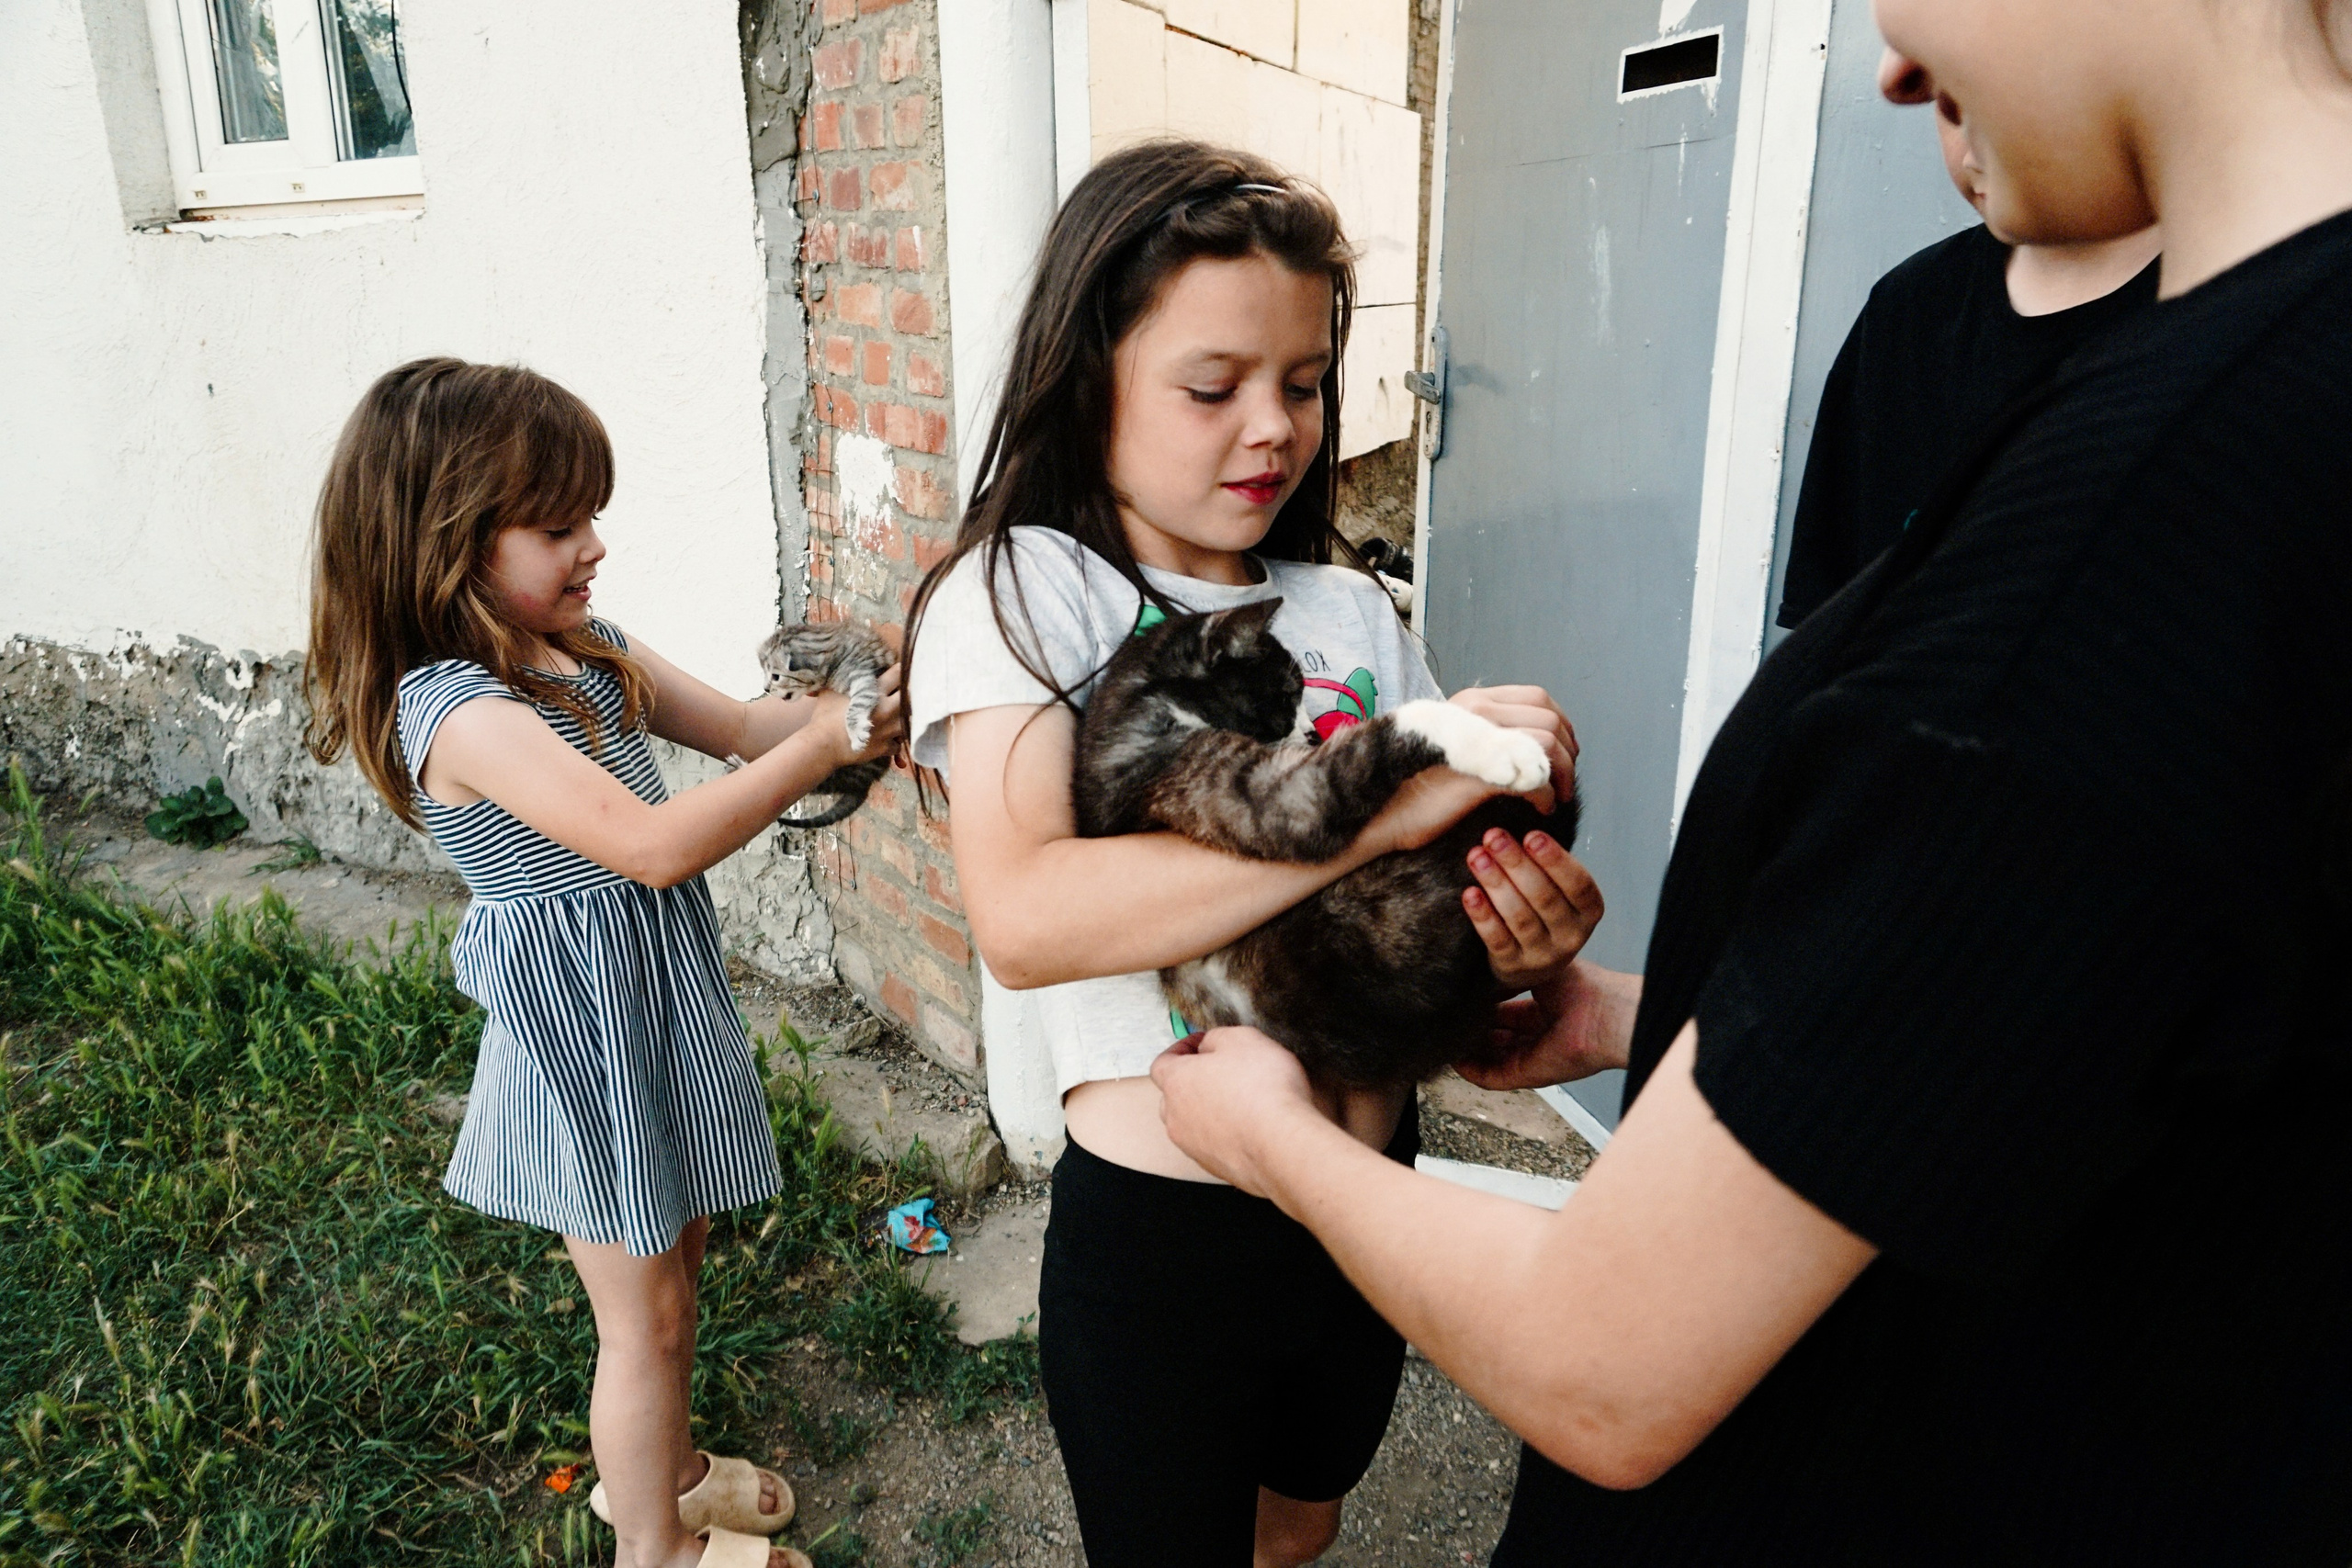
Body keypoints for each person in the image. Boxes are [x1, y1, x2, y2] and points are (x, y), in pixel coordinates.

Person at [1152, 0, 2352, 1560]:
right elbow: (2131, 1027)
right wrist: (1652, 1019)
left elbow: (1606, 1364)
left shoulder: (2141, 524)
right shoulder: (2239, 406)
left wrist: (1270, 1137)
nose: (1894, 65)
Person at [898, 141, 1584, 1566]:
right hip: (1170, 1233)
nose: (1271, 427)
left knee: (1302, 1518)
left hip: (1375, 1188)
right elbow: (1027, 914)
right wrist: (1382, 802)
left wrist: (1500, 916)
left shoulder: (1347, 605)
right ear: (1091, 375)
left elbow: (1404, 886)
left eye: (1305, 381)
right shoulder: (1028, 591)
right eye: (1212, 388)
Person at [304, 359, 902, 1568]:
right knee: (648, 1315)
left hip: (642, 1000)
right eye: (559, 523)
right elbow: (652, 842)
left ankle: (672, 1470)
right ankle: (655, 1547)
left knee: (673, 1266)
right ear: (448, 541)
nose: (595, 545)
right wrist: (825, 745)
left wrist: (866, 710)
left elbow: (741, 729)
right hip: (580, 1031)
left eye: (592, 514)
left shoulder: (577, 644)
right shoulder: (458, 709)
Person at [1777, 81, 2161, 626]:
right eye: (1952, 102)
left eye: (2005, 97)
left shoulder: (2230, 311)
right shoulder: (1908, 306)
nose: (1974, 149)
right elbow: (1832, 602)